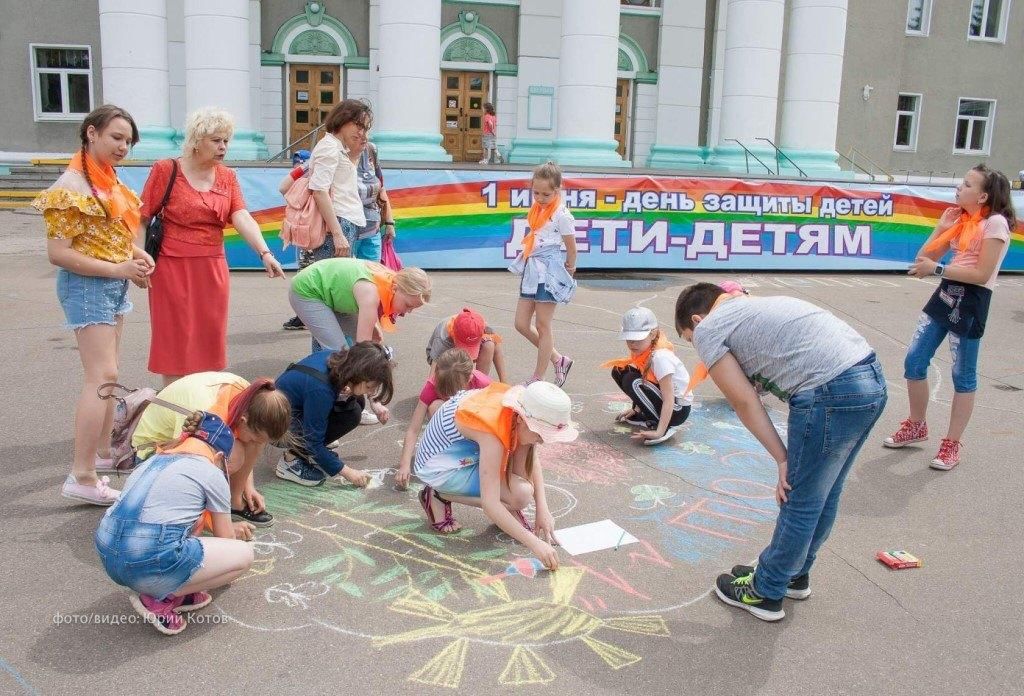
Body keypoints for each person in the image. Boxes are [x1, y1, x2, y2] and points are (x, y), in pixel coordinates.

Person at [675, 282, 886, 622]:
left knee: (799, 497)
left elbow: (744, 400)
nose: (697, 349)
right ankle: (793, 572)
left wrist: (782, 457)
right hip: (869, 379)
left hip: (829, 390)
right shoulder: (748, 306)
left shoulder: (709, 329)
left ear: (697, 321)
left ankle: (766, 590)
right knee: (824, 492)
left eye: (689, 339)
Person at [35, 104, 154, 506]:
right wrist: (120, 266)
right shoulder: (71, 186)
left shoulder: (107, 180)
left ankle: (103, 456)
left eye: (128, 141)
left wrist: (136, 254)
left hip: (110, 284)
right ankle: (82, 475)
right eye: (116, 138)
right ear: (91, 133)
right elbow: (58, 253)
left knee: (109, 375)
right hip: (88, 286)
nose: (124, 147)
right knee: (101, 379)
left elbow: (107, 236)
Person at [140, 107, 285, 387]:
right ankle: (174, 406)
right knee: (174, 339)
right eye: (216, 140)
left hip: (211, 266)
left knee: (209, 336)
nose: (223, 147)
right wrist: (141, 258)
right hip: (171, 266)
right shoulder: (166, 170)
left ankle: (204, 407)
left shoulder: (227, 176)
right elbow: (142, 217)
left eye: (226, 141)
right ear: (196, 140)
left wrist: (265, 252)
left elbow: (240, 214)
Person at [888, 165, 1017, 470]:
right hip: (946, 294)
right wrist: (940, 228)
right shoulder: (961, 220)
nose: (959, 188)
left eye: (967, 184)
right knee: (915, 360)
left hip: (972, 301)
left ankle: (951, 444)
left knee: (963, 376)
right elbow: (924, 259)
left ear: (983, 195)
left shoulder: (995, 224)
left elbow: (982, 273)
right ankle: (917, 426)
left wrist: (939, 269)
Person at [95, 411, 253, 635]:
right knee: (243, 555)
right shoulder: (210, 471)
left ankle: (171, 586)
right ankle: (161, 596)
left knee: (191, 523)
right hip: (147, 559)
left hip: (107, 552)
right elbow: (226, 538)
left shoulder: (153, 461)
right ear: (219, 456)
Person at [412, 381, 578, 571]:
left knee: (522, 470)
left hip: (465, 454)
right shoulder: (492, 433)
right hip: (439, 467)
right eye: (540, 435)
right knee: (520, 495)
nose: (542, 442)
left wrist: (543, 508)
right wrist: (535, 544)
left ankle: (507, 510)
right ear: (523, 420)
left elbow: (532, 456)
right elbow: (490, 505)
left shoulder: (520, 409)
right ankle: (438, 494)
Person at [131, 373, 291, 531]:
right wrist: (218, 526)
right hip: (152, 459)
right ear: (243, 420)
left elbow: (244, 434)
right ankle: (194, 515)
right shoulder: (205, 411)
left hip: (183, 449)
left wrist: (248, 486)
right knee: (229, 457)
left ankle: (235, 503)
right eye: (255, 438)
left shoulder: (254, 398)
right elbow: (186, 467)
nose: (256, 444)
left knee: (248, 444)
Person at [275, 342, 394, 487]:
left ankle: (313, 449)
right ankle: (291, 460)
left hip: (292, 409)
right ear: (359, 374)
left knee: (355, 406)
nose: (370, 391)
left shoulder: (340, 358)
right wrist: (349, 473)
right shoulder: (321, 389)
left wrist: (374, 402)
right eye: (369, 387)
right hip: (276, 426)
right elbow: (313, 441)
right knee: (347, 415)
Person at [510, 161, 577, 387]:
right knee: (520, 323)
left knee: (542, 324)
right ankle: (559, 359)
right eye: (536, 192)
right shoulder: (537, 209)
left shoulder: (562, 214)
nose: (539, 198)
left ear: (557, 190)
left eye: (546, 194)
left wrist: (570, 267)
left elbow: (571, 244)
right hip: (532, 267)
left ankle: (538, 377)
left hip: (550, 269)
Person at [397, 348, 492, 489]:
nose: (451, 395)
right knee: (436, 406)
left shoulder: (483, 384)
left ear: (470, 379)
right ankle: (452, 450)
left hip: (473, 427)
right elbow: (413, 429)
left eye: (453, 390)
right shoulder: (431, 386)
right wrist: (404, 465)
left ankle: (473, 450)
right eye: (446, 391)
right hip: (452, 430)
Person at [603, 307, 693, 446]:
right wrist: (636, 409)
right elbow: (648, 379)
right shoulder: (645, 351)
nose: (632, 343)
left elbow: (668, 399)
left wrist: (660, 431)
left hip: (677, 410)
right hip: (667, 402)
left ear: (653, 334)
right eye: (629, 339)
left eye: (637, 339)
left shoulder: (660, 357)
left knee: (633, 381)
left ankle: (663, 425)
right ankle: (644, 413)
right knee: (620, 371)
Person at [425, 307, 507, 382]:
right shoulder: (443, 336)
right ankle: (456, 383)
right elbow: (434, 369)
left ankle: (479, 383)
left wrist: (504, 382)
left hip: (460, 357)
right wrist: (429, 394)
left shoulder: (480, 325)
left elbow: (497, 350)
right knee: (450, 386)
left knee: (489, 344)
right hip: (444, 359)